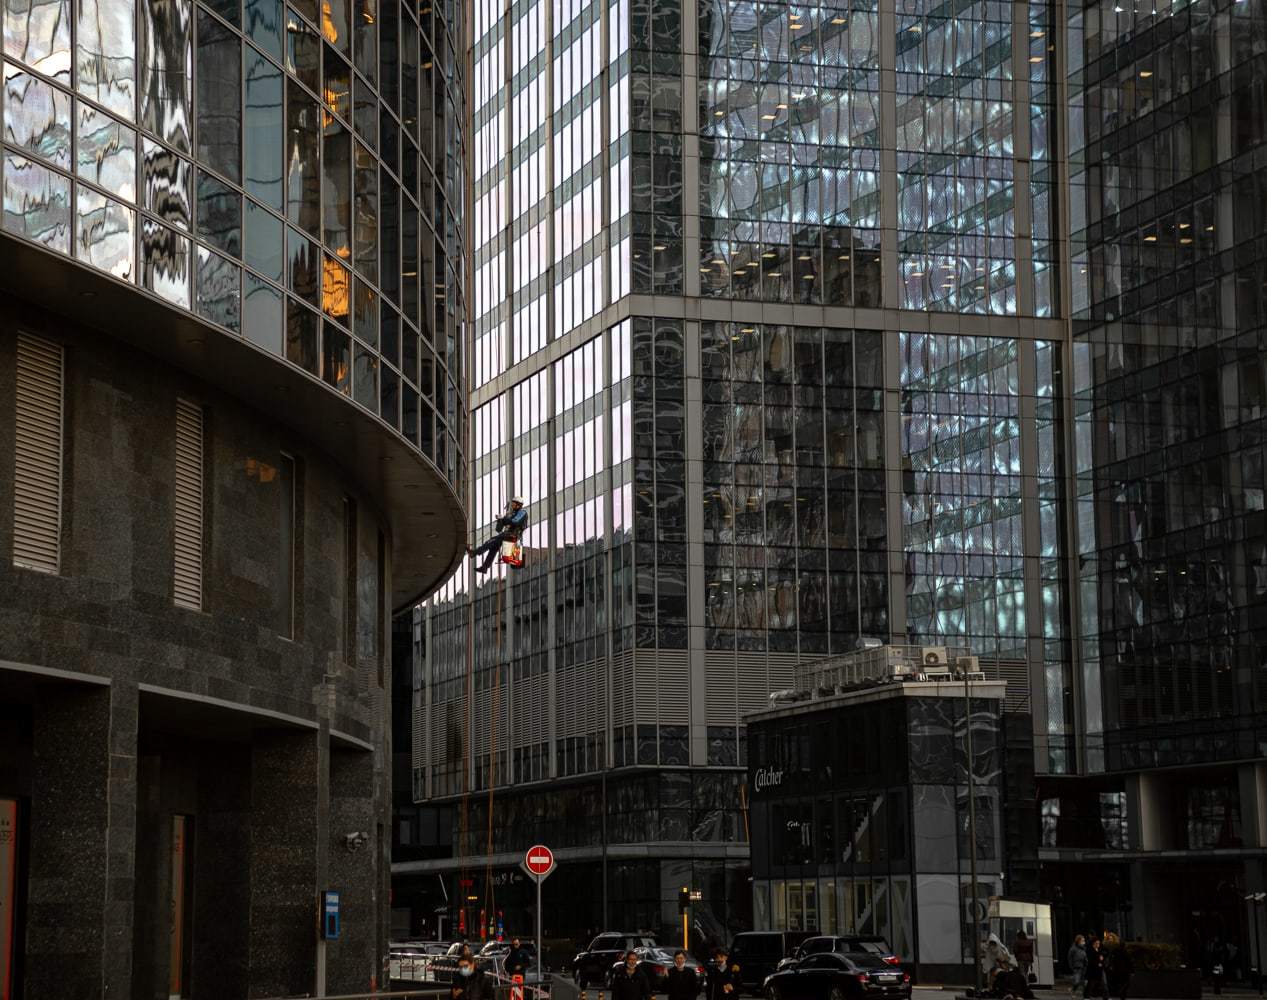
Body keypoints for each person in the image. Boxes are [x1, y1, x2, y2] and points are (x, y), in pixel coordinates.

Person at [470, 496, 529, 573]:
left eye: (514, 504)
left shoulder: (522, 512)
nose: (512, 505)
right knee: (493, 547)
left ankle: (476, 552)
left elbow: (515, 522)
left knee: (493, 540)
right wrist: (500, 520)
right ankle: (485, 567)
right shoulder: (512, 515)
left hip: (513, 535)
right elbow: (498, 530)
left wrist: (504, 519)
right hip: (508, 535)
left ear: (519, 504)